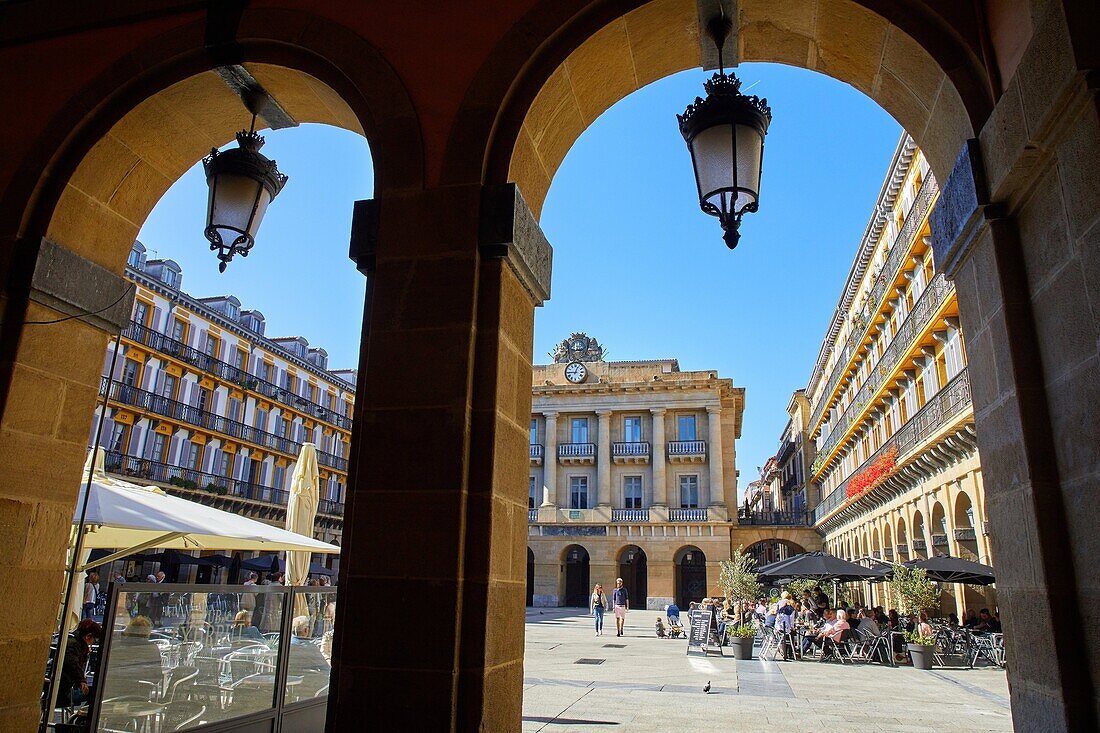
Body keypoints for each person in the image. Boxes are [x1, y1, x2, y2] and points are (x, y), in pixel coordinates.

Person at [58, 619, 102, 708]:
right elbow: (72, 665)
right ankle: (84, 719)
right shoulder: (74, 645)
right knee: (96, 694)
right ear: (88, 637)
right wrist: (81, 681)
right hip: (63, 692)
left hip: (64, 688)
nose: (93, 643)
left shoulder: (75, 642)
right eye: (95, 640)